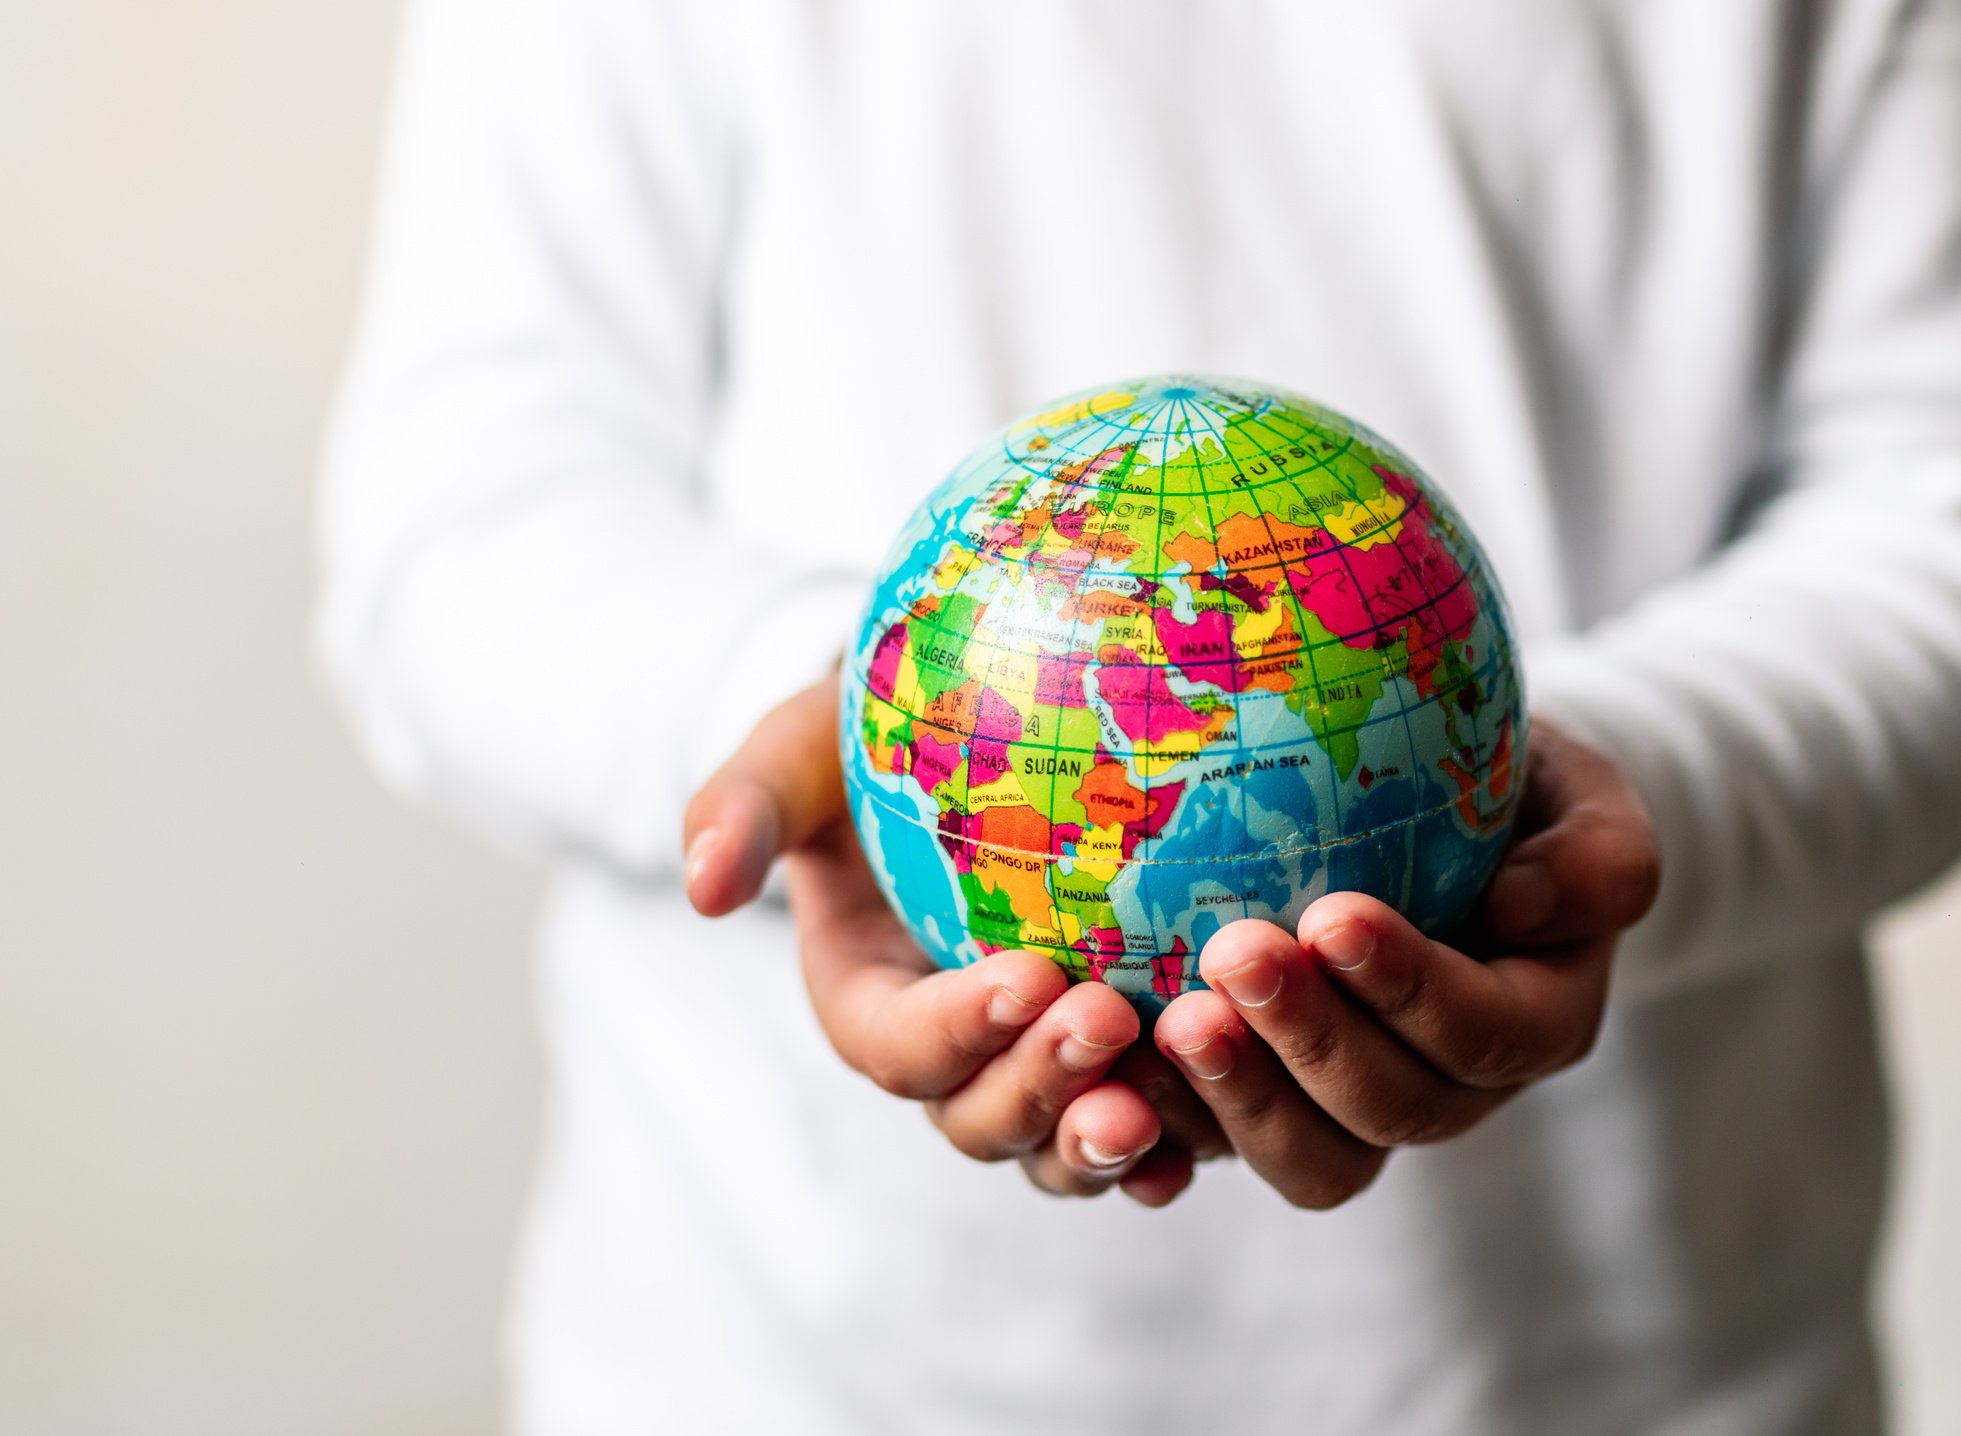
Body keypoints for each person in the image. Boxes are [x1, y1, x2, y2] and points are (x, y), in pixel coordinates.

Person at [319, 1, 1961, 1432]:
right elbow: (456, 526)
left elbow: (1928, 519)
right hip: (776, 1365)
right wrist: (832, 720)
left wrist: (1596, 810)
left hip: (1639, 1368)